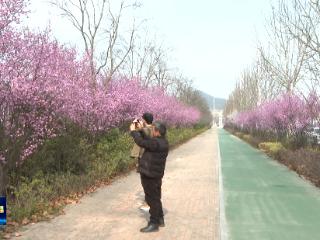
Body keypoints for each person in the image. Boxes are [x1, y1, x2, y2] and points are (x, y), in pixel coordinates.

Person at [130, 121, 169, 233]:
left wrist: (133, 131)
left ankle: (154, 223)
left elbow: (141, 142)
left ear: (156, 131)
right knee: (156, 197)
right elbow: (148, 140)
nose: (151, 131)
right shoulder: (163, 142)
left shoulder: (155, 143)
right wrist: (142, 130)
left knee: (151, 199)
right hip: (156, 175)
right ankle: (160, 219)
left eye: (152, 129)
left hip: (149, 175)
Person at [130, 112, 154, 211]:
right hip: (151, 158)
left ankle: (148, 202)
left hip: (145, 158)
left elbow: (138, 136)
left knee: (146, 180)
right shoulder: (155, 129)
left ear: (144, 120)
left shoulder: (146, 130)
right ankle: (149, 200)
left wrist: (135, 126)